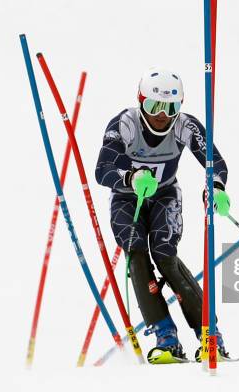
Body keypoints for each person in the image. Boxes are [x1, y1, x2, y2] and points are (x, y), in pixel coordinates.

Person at [95, 68, 231, 364]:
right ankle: (165, 337)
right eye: (153, 106)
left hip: (165, 195)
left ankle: (210, 335)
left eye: (171, 107)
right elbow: (103, 169)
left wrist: (216, 186)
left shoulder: (185, 125)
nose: (162, 115)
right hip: (127, 198)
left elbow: (214, 162)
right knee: (136, 252)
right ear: (140, 101)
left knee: (164, 253)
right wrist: (131, 177)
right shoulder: (125, 123)